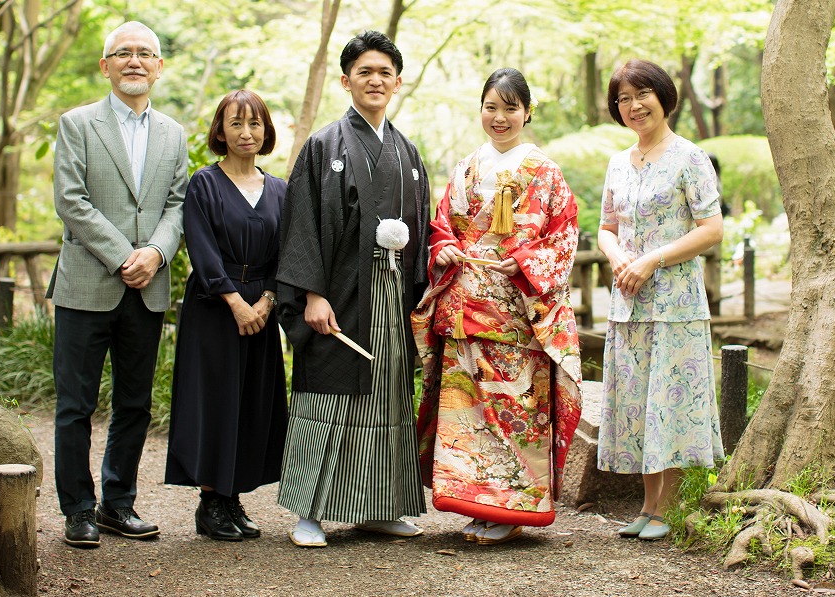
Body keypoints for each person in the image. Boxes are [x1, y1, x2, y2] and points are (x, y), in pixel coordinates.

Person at [412, 68, 582, 546]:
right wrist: (442, 247)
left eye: (511, 108)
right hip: (465, 305)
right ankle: (476, 500)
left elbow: (563, 237)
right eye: (492, 107)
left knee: (514, 409)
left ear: (528, 113)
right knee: (466, 411)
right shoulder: (466, 166)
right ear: (481, 110)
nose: (500, 117)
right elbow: (443, 225)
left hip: (515, 310)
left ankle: (510, 508)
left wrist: (524, 263)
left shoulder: (544, 171)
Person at [275, 30, 431, 548]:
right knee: (328, 397)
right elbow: (301, 225)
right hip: (339, 292)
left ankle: (379, 506)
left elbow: (424, 230)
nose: (375, 80)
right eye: (364, 71)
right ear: (346, 81)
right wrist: (311, 293)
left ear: (398, 82)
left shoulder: (408, 153)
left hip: (392, 294)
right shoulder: (324, 145)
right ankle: (309, 512)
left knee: (386, 396)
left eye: (385, 72)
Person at [49, 20, 189, 548]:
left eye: (145, 53)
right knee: (75, 405)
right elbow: (71, 200)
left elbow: (177, 204)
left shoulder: (174, 133)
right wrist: (123, 256)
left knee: (135, 405)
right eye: (122, 53)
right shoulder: (77, 124)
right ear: (105, 65)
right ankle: (78, 510)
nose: (134, 61)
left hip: (147, 287)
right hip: (87, 285)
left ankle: (118, 503)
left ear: (159, 66)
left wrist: (154, 253)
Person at [595, 59, 724, 542]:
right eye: (623, 99)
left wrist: (653, 260)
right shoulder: (617, 163)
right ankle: (648, 507)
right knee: (640, 405)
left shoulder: (690, 157)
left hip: (676, 304)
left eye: (641, 94)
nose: (633, 106)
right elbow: (606, 228)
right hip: (628, 303)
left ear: (663, 97)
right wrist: (617, 257)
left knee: (670, 404)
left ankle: (668, 508)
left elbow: (712, 228)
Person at [165, 89, 288, 541]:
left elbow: (285, 253)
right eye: (235, 123)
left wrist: (267, 301)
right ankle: (211, 501)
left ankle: (233, 496)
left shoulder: (279, 190)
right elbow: (201, 248)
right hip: (215, 308)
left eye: (254, 123)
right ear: (220, 130)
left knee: (251, 402)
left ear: (266, 130)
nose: (245, 132)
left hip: (263, 307)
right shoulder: (204, 183)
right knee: (215, 401)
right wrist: (235, 302)